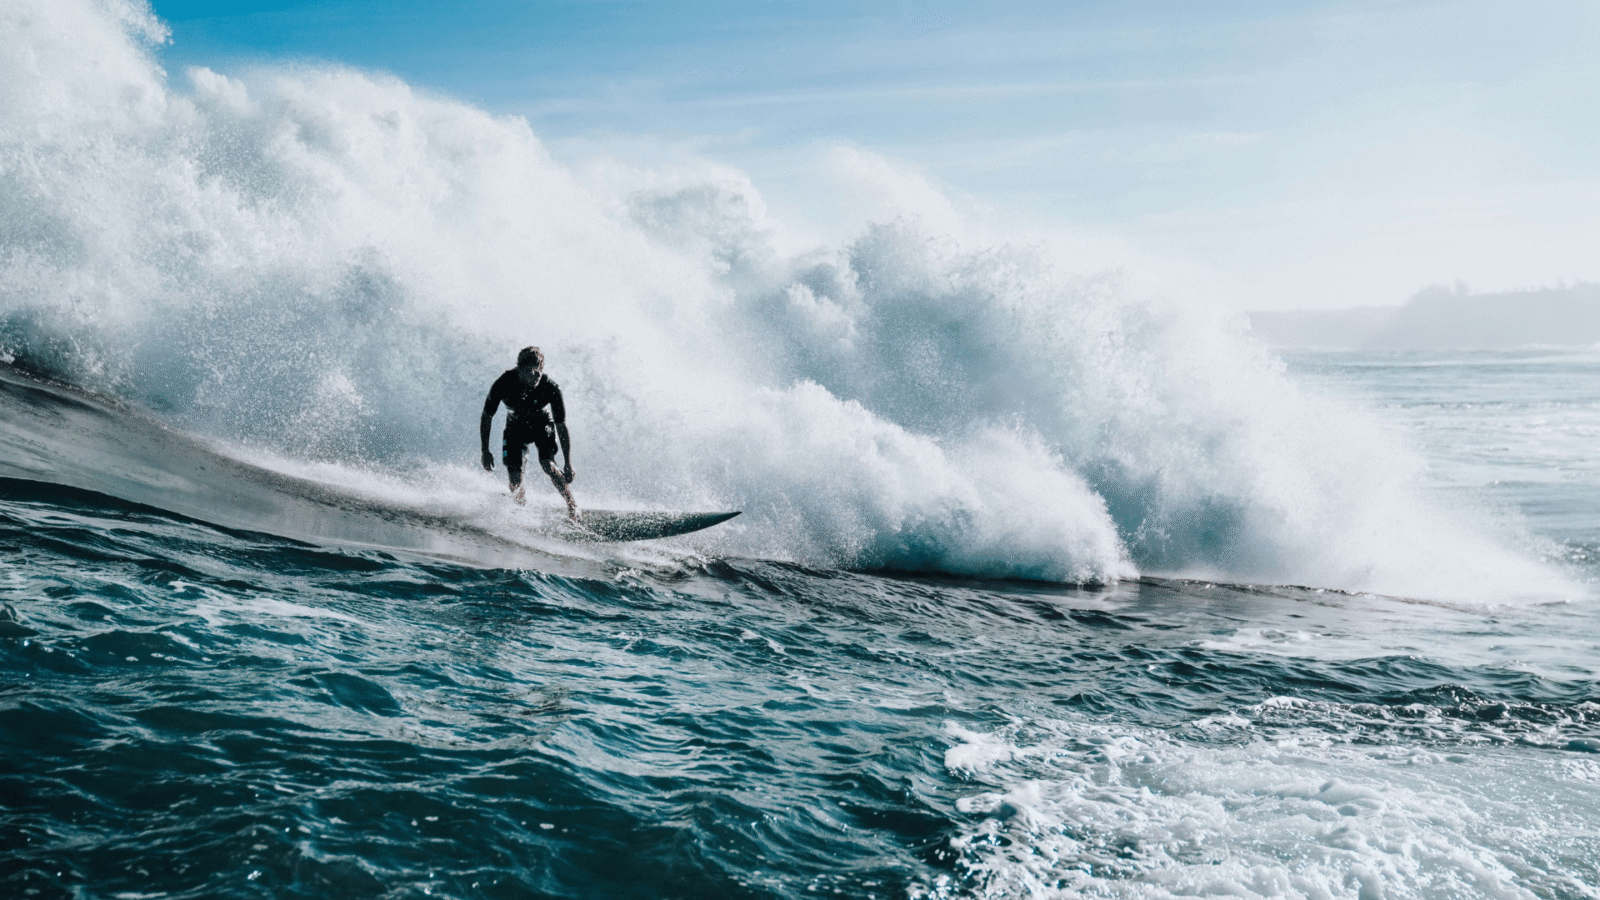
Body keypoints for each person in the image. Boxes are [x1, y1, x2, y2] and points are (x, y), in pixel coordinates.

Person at [480, 346, 577, 516]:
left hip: (542, 424)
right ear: (520, 370)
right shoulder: (503, 383)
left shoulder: (551, 388)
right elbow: (487, 416)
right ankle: (521, 512)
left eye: (540, 369)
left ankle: (572, 505)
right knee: (515, 478)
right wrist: (485, 450)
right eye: (532, 370)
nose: (537, 374)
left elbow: (561, 426)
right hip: (515, 428)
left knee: (548, 465)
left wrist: (568, 463)